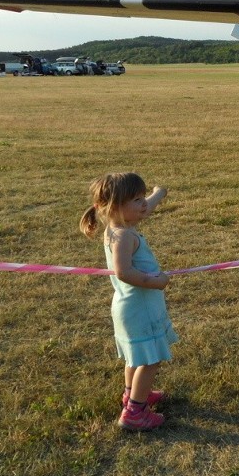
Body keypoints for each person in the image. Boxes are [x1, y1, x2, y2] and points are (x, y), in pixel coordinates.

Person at [79, 173, 178, 431]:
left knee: (135, 357)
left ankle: (133, 395)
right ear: (115, 207)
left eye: (142, 197)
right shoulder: (123, 236)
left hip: (129, 306)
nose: (143, 204)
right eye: (137, 199)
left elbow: (145, 209)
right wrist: (156, 281)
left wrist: (159, 193)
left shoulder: (118, 226)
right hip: (139, 307)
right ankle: (134, 412)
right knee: (149, 360)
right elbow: (124, 272)